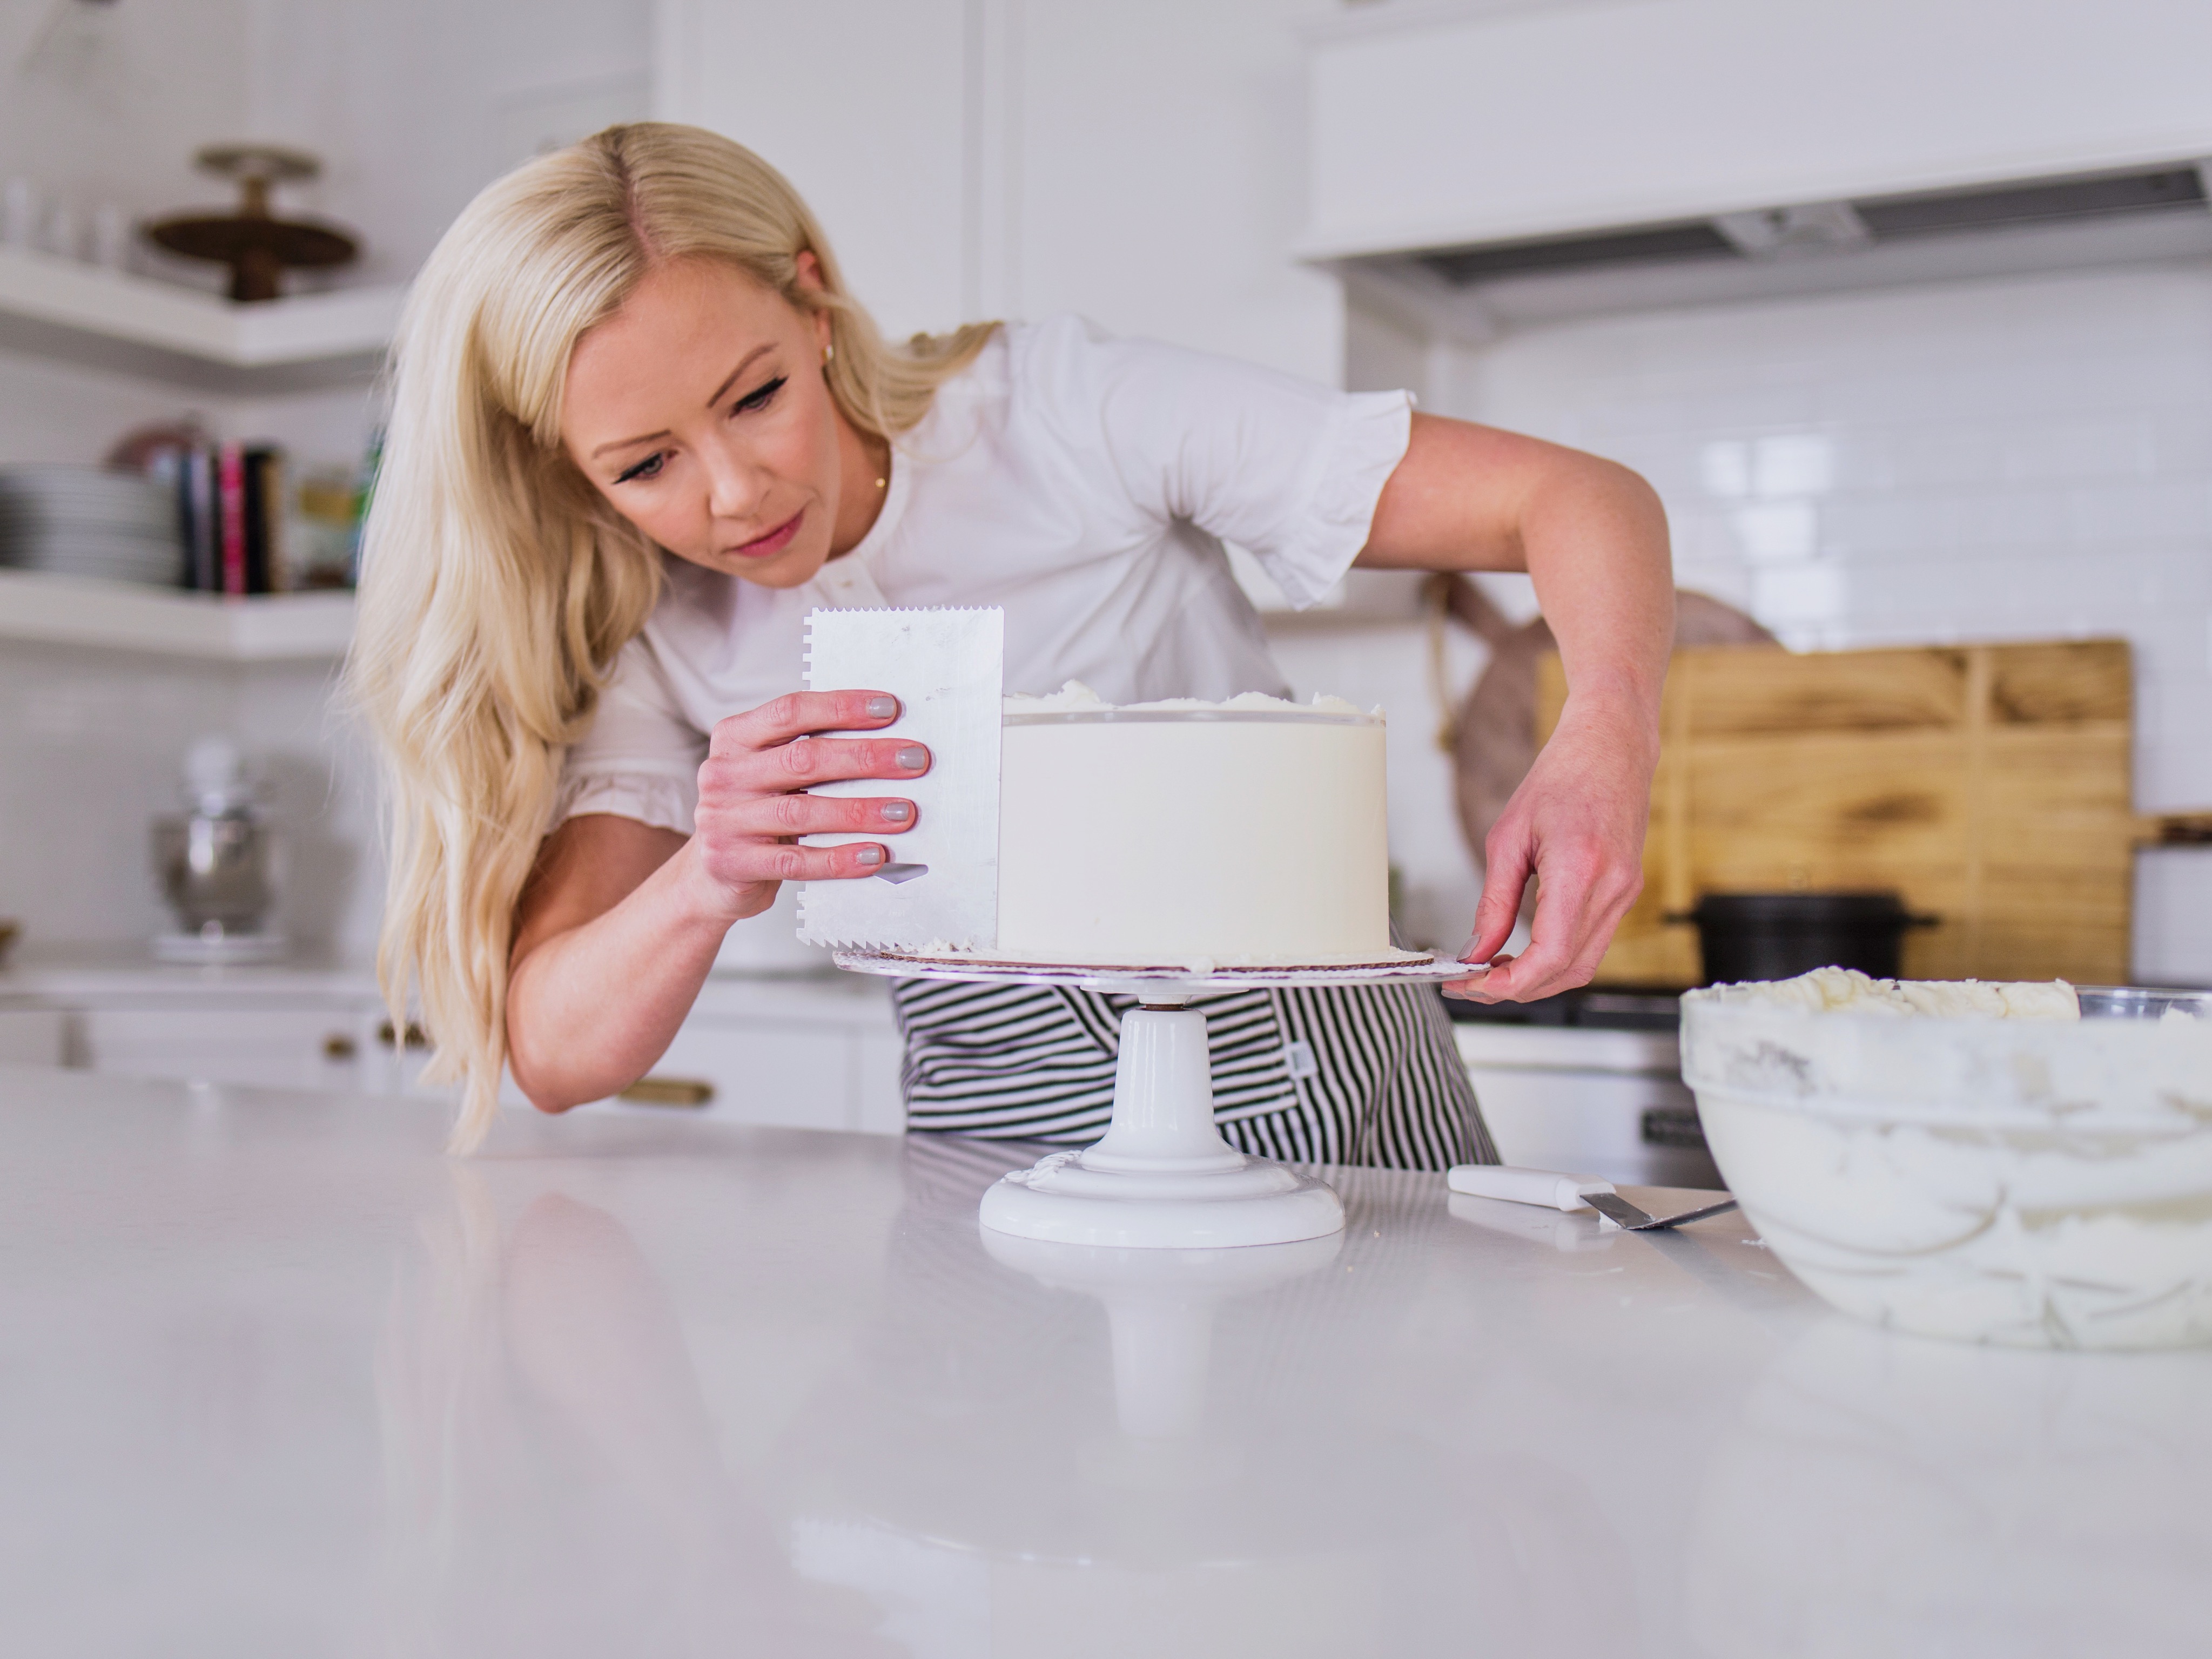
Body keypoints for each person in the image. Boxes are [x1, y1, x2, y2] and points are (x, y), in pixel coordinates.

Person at [349, 124, 1672, 1159]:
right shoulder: (648, 626)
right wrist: (710, 873)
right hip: (990, 1145)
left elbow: (1575, 498)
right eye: (644, 465)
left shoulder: (1058, 414)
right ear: (571, 472)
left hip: (1329, 1098)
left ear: (812, 302)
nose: (735, 493)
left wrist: (1603, 727)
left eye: (754, 397)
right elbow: (555, 1055)